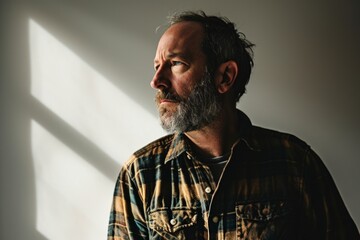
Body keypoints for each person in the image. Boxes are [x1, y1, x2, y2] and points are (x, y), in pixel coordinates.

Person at [107, 11, 359, 239]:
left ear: (225, 77)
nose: (156, 81)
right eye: (157, 66)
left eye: (175, 64)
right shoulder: (140, 175)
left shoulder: (295, 163)